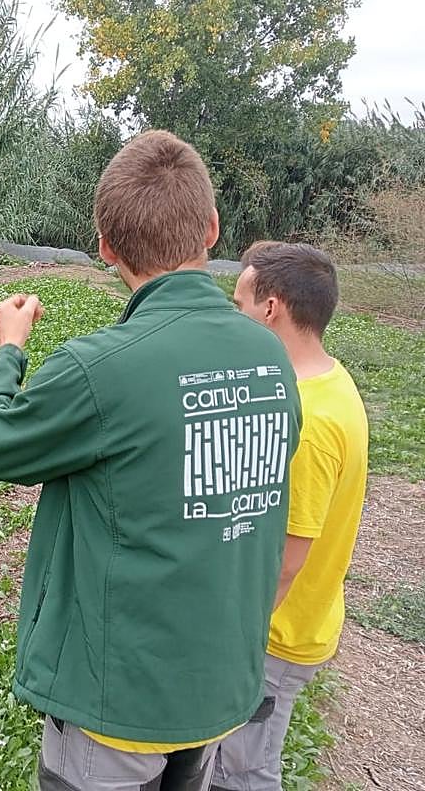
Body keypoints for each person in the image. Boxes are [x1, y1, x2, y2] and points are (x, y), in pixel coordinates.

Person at [0, 130, 302, 791]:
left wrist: (9, 348)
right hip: (216, 682)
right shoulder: (272, 359)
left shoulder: (99, 367)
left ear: (106, 247)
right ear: (211, 227)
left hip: (121, 698)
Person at [212, 242, 369, 791]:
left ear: (271, 308)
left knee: (245, 769)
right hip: (305, 617)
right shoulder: (330, 379)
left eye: (240, 303)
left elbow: (286, 559)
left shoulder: (310, 419)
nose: (236, 315)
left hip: (275, 634)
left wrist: (233, 637)